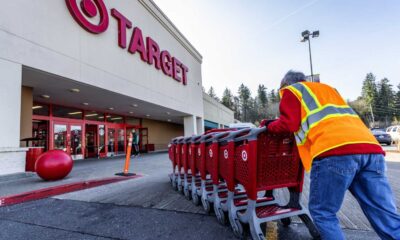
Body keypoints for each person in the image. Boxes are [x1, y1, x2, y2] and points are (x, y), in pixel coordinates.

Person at [266, 70, 400, 240]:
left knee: (323, 213)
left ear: (285, 85)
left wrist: (268, 127)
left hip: (334, 151)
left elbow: (288, 124)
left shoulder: (292, 90)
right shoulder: (329, 90)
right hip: (371, 149)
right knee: (384, 213)